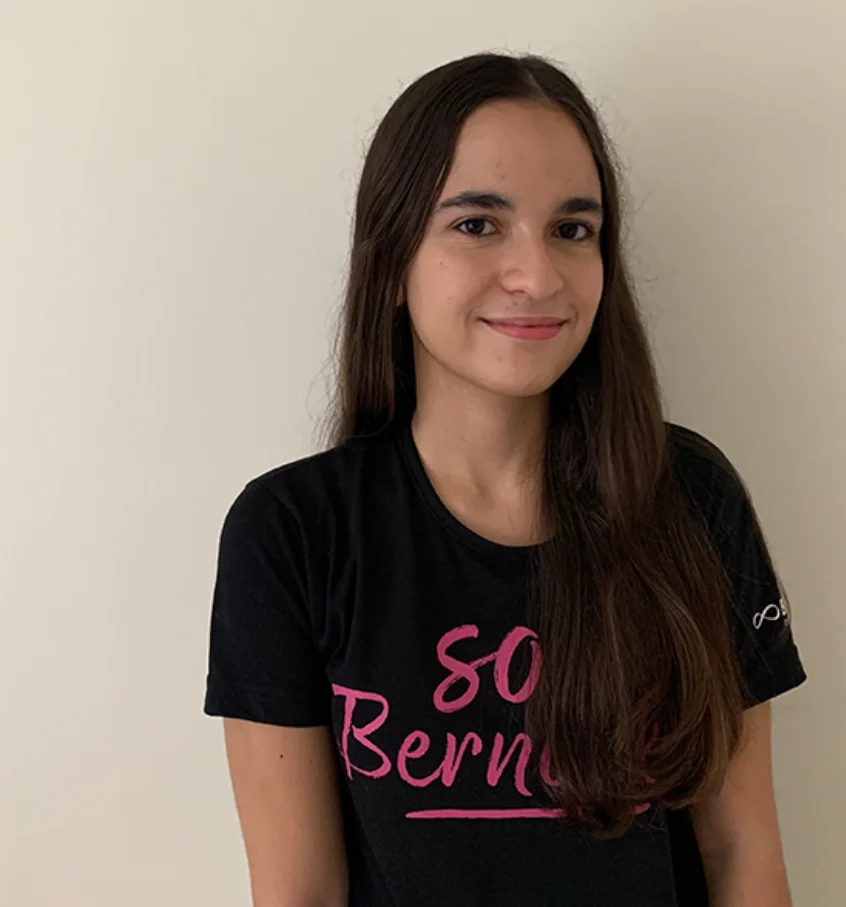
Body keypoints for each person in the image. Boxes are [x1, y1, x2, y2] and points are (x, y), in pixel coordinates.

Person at [204, 51, 807, 907]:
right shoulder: (294, 532)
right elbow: (300, 890)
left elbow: (741, 851)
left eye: (573, 230)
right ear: (393, 262)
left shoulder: (691, 499)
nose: (538, 276)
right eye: (478, 224)